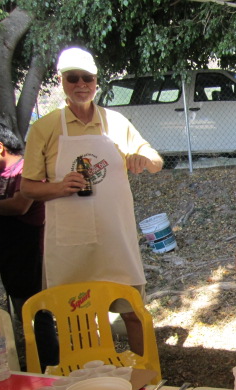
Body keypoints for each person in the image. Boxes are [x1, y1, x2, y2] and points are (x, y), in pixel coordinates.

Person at [21, 47, 164, 358]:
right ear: (62, 82)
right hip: (73, 242)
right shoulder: (43, 129)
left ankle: (146, 377)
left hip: (115, 238)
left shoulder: (115, 122)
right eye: (73, 78)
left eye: (88, 78)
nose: (81, 84)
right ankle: (93, 377)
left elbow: (156, 160)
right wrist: (59, 187)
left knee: (132, 312)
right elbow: (28, 187)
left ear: (97, 81)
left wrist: (143, 159)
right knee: (80, 318)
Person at [0, 123, 58, 371]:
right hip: (11, 253)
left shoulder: (26, 170)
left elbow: (20, 207)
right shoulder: (2, 174)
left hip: (30, 252)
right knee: (21, 310)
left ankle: (49, 365)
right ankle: (35, 359)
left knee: (36, 310)